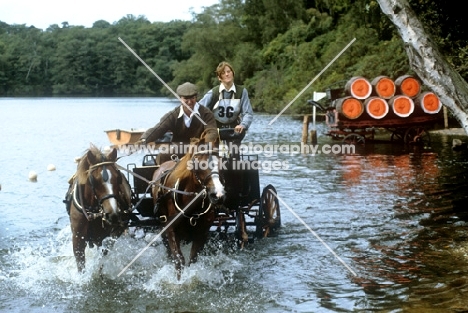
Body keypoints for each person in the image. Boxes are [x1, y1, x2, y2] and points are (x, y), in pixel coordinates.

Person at [137, 82, 218, 161]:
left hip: (200, 149)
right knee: (162, 156)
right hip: (178, 149)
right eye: (186, 99)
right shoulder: (173, 115)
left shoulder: (206, 113)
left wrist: (206, 144)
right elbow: (158, 129)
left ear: (196, 97)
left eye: (192, 98)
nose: (189, 102)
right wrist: (144, 140)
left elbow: (212, 131)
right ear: (180, 98)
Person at [199, 61, 253, 141]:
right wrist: (208, 125)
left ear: (233, 73)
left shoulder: (242, 92)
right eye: (223, 73)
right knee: (213, 151)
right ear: (219, 77)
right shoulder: (213, 92)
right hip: (215, 130)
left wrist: (243, 125)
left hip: (235, 130)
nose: (227, 74)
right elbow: (199, 109)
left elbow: (248, 113)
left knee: (234, 152)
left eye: (228, 71)